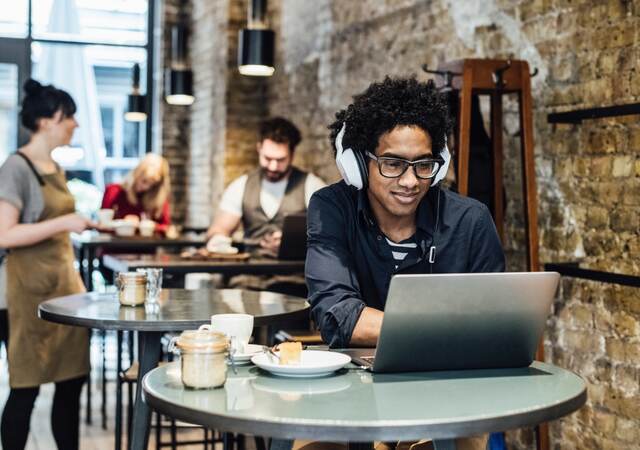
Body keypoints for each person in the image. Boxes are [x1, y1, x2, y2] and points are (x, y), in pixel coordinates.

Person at [304, 77, 505, 450]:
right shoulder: (331, 208)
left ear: (439, 165)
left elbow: (492, 327)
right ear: (359, 163)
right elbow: (338, 316)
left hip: (446, 394)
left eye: (424, 165)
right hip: (348, 392)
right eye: (393, 164)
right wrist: (447, 329)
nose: (411, 181)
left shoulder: (470, 220)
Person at [0, 79, 93, 450]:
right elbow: (4, 234)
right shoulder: (16, 167)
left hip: (65, 293)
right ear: (47, 120)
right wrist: (65, 222)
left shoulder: (53, 166)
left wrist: (78, 283)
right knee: (26, 389)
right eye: (69, 116)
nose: (75, 124)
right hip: (26, 297)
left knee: (72, 383)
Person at [207, 117, 325, 251]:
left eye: (280, 160)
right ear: (259, 149)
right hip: (249, 270)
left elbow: (330, 234)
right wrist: (218, 240)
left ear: (292, 154)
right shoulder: (241, 186)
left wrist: (294, 241)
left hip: (294, 270)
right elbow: (218, 230)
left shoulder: (312, 186)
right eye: (267, 158)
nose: (273, 166)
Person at [101, 153, 171, 232]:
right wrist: (124, 224)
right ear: (137, 173)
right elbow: (103, 225)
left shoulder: (158, 198)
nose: (146, 187)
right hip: (117, 243)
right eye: (144, 181)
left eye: (152, 185)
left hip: (146, 243)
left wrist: (149, 225)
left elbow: (166, 227)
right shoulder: (114, 191)